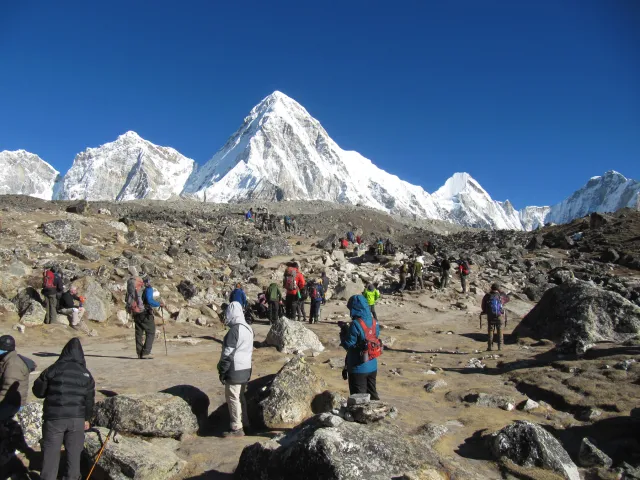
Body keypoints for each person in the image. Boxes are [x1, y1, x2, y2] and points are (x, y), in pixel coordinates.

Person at [32, 338, 95, 480]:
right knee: (74, 455)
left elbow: (38, 391)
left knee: (51, 455)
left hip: (54, 419)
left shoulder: (53, 369)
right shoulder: (86, 374)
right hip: (77, 419)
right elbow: (89, 400)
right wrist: (87, 418)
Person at [218, 302, 254, 437]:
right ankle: (246, 424)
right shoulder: (248, 328)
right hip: (246, 368)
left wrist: (222, 370)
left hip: (235, 368)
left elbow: (227, 353)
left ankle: (236, 427)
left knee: (232, 397)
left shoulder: (234, 330)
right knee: (240, 397)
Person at [340, 295, 381, 400]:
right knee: (372, 395)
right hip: (372, 365)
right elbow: (374, 336)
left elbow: (348, 345)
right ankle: (376, 414)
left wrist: (344, 332)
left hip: (358, 367)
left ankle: (361, 416)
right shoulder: (374, 321)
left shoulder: (355, 324)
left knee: (359, 399)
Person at [0, 335, 33, 422]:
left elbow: (7, 389)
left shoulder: (13, 364)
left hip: (11, 403)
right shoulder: (6, 359)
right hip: (8, 400)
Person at [136, 278, 163, 359]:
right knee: (151, 331)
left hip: (135, 312)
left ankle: (139, 352)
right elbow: (149, 300)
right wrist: (159, 304)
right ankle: (146, 352)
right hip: (145, 312)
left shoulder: (135, 288)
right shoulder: (148, 288)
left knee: (139, 333)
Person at [480, 284, 507, 351]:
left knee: (491, 330)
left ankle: (490, 347)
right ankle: (500, 347)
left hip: (490, 315)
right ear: (497, 289)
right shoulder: (501, 295)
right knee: (500, 330)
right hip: (499, 315)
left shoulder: (487, 295)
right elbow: (506, 300)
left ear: (491, 288)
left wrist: (485, 311)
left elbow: (483, 305)